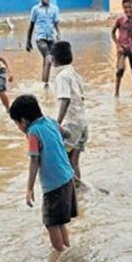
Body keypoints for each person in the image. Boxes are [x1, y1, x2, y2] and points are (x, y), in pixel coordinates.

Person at [9, 94, 77, 262]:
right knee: (59, 221)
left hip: (54, 186)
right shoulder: (51, 122)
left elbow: (34, 160)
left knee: (51, 223)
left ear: (23, 121)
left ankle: (59, 257)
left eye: (17, 124)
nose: (18, 127)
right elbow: (67, 133)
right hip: (68, 178)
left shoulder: (33, 132)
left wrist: (29, 189)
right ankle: (66, 249)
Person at [51, 41, 88, 189]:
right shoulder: (74, 73)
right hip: (82, 124)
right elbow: (82, 97)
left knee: (63, 161)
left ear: (54, 59)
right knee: (74, 161)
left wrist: (56, 123)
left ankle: (71, 192)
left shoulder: (62, 77)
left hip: (71, 125)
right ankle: (78, 192)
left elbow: (65, 99)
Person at [27, 0, 61, 87]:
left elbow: (56, 24)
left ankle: (44, 82)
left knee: (49, 60)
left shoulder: (55, 9)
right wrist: (28, 41)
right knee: (48, 59)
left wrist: (59, 34)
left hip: (51, 38)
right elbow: (31, 25)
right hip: (40, 38)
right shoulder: (35, 9)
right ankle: (45, 85)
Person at [111, 0, 132, 97]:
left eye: (130, 7)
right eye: (125, 7)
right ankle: (116, 92)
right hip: (122, 48)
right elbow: (112, 33)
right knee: (120, 69)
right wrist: (117, 45)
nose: (128, 9)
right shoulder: (120, 20)